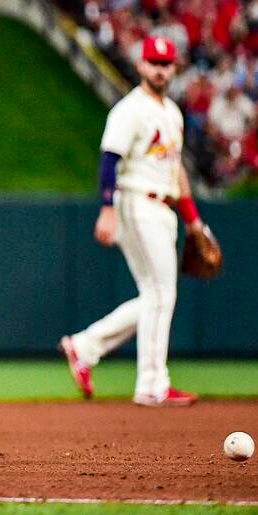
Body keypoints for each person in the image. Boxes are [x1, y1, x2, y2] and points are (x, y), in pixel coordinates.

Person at [60, 36, 203, 407]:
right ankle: (153, 383)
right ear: (141, 66)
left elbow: (176, 170)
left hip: (163, 206)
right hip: (137, 202)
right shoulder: (130, 110)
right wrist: (107, 208)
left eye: (166, 64)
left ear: (174, 68)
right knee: (161, 293)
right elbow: (110, 159)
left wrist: (194, 221)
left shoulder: (172, 113)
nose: (160, 70)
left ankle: (85, 346)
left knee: (155, 296)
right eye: (154, 62)